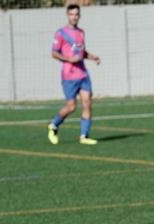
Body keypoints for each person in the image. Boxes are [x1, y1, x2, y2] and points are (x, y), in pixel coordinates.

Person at [47, 4, 101, 146]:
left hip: (82, 73)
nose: (74, 17)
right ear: (67, 15)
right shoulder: (61, 33)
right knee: (71, 107)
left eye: (76, 14)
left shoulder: (81, 32)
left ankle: (84, 136)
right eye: (71, 14)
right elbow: (54, 53)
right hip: (69, 75)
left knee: (87, 103)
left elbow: (81, 52)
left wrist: (92, 56)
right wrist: (69, 59)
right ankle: (53, 125)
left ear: (79, 15)